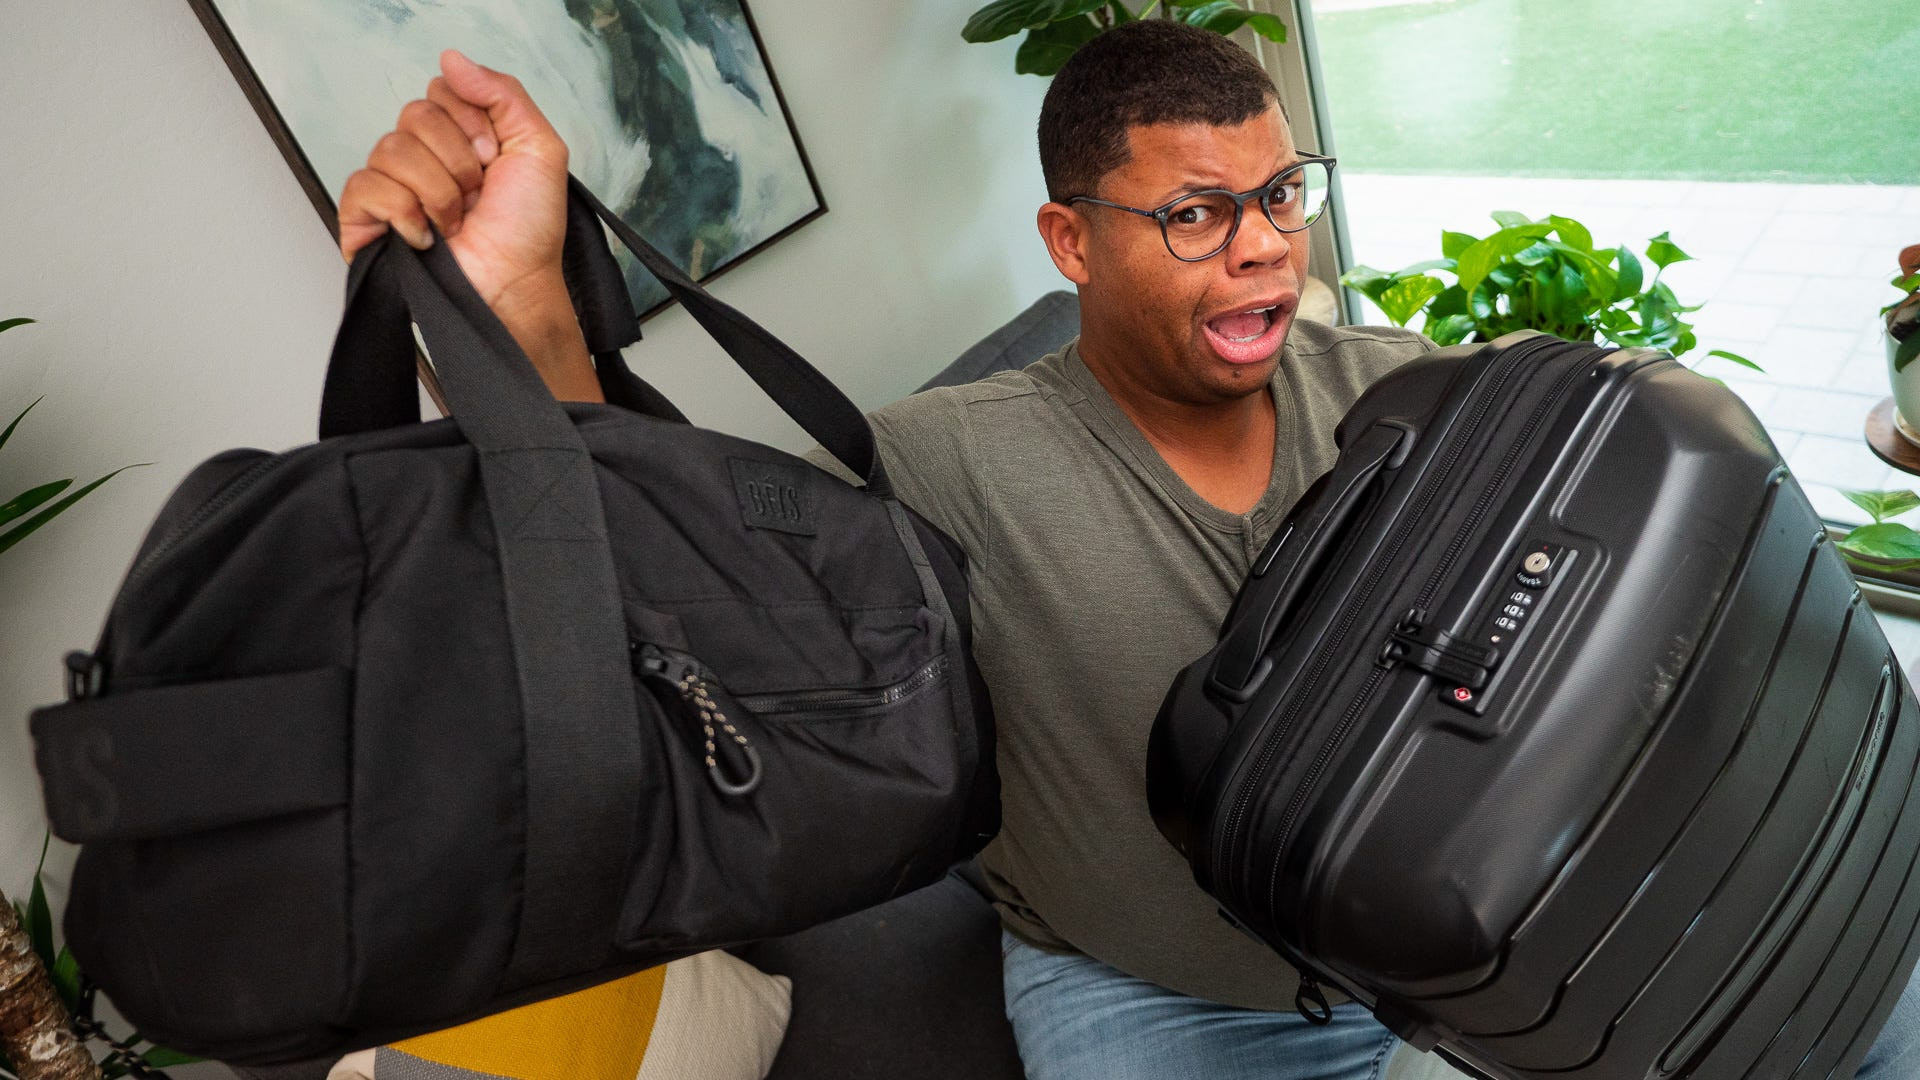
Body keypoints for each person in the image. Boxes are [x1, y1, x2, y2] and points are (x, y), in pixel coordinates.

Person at [337, 25, 1920, 1080]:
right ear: (1070, 243)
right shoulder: (937, 466)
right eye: (1197, 213)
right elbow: (655, 570)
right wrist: (515, 313)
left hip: (1481, 944)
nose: (1264, 244)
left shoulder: (1403, 397)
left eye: (1281, 196)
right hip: (1159, 1003)